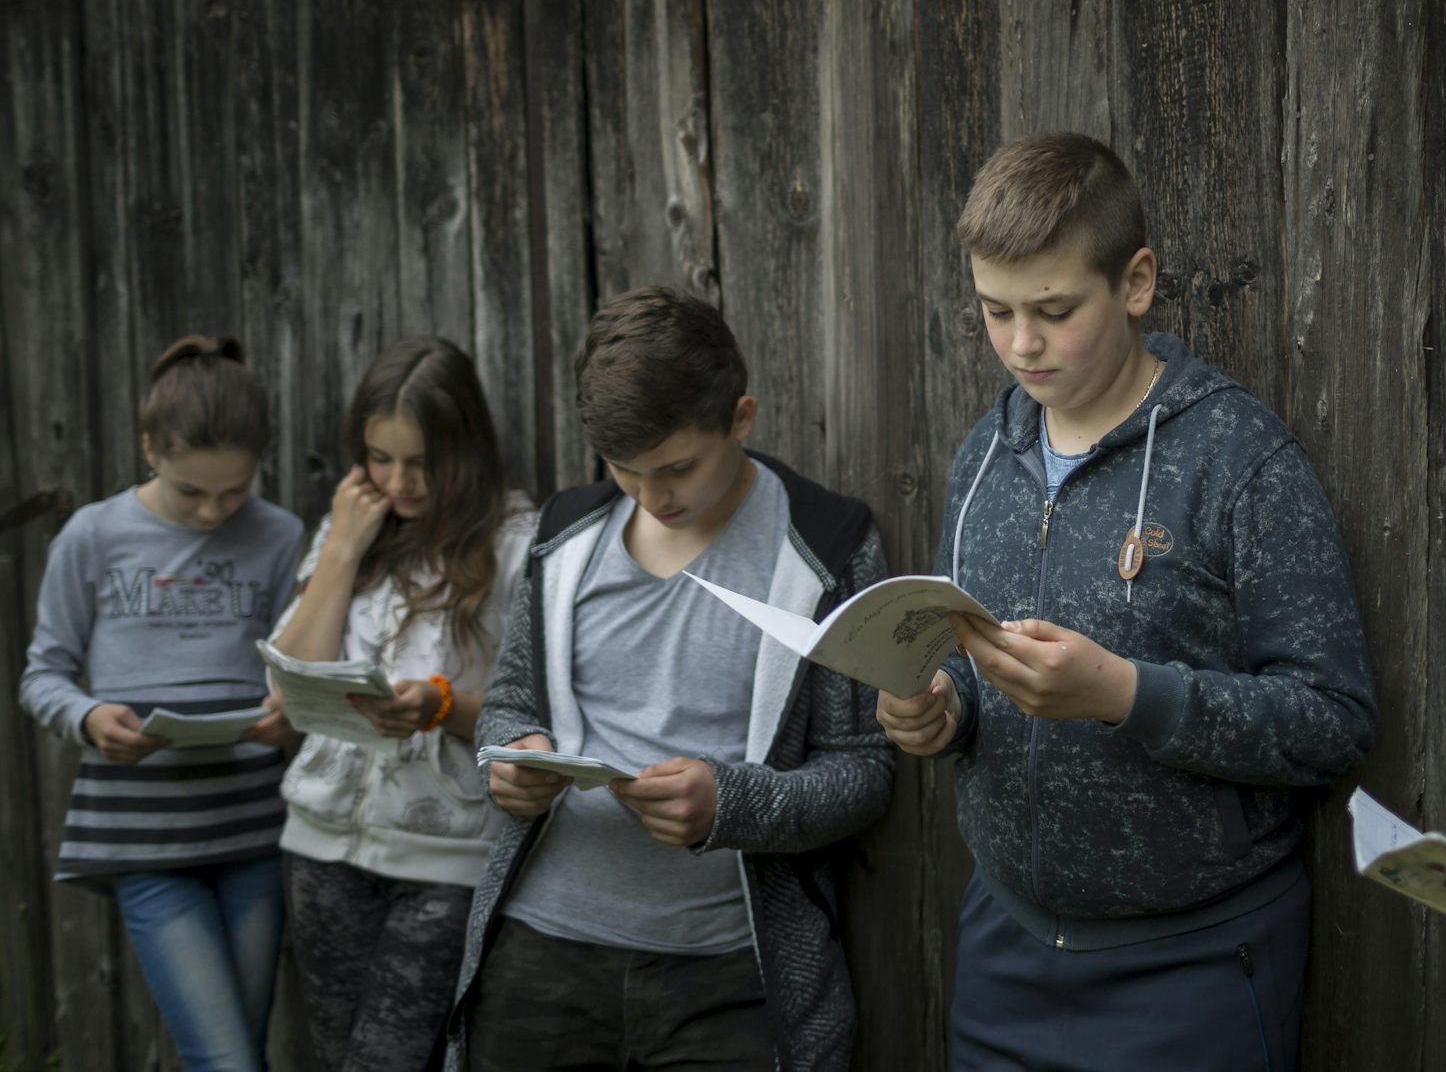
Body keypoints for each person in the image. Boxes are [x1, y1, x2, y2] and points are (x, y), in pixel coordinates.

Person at [876, 133, 1378, 1072]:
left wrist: (1125, 694)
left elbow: (1333, 720)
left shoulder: (1240, 459)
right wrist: (942, 709)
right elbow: (970, 661)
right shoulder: (983, 454)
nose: (1021, 343)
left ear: (1136, 282)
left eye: (1055, 310)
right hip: (1005, 947)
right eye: (995, 310)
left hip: (1194, 965)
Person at [446, 286, 894, 1072]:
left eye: (679, 467)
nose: (653, 497)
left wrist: (732, 804)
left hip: (729, 973)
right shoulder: (563, 534)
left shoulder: (828, 545)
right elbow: (510, 698)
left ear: (742, 417)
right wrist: (509, 756)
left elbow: (864, 772)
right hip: (539, 951)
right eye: (625, 470)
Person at [20, 335, 306, 1072]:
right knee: (224, 1059)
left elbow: (296, 668)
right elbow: (42, 675)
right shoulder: (92, 535)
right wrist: (87, 716)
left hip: (254, 829)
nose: (212, 511)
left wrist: (290, 716)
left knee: (244, 1053)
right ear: (149, 448)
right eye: (190, 492)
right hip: (143, 838)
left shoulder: (280, 535)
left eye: (233, 492)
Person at [270, 339, 534, 1072]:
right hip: (320, 844)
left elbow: (540, 713)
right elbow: (288, 689)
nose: (398, 481)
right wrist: (342, 549)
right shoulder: (350, 529)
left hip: (447, 858)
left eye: (422, 461)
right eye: (379, 458)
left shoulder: (519, 544)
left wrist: (441, 705)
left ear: (467, 447)